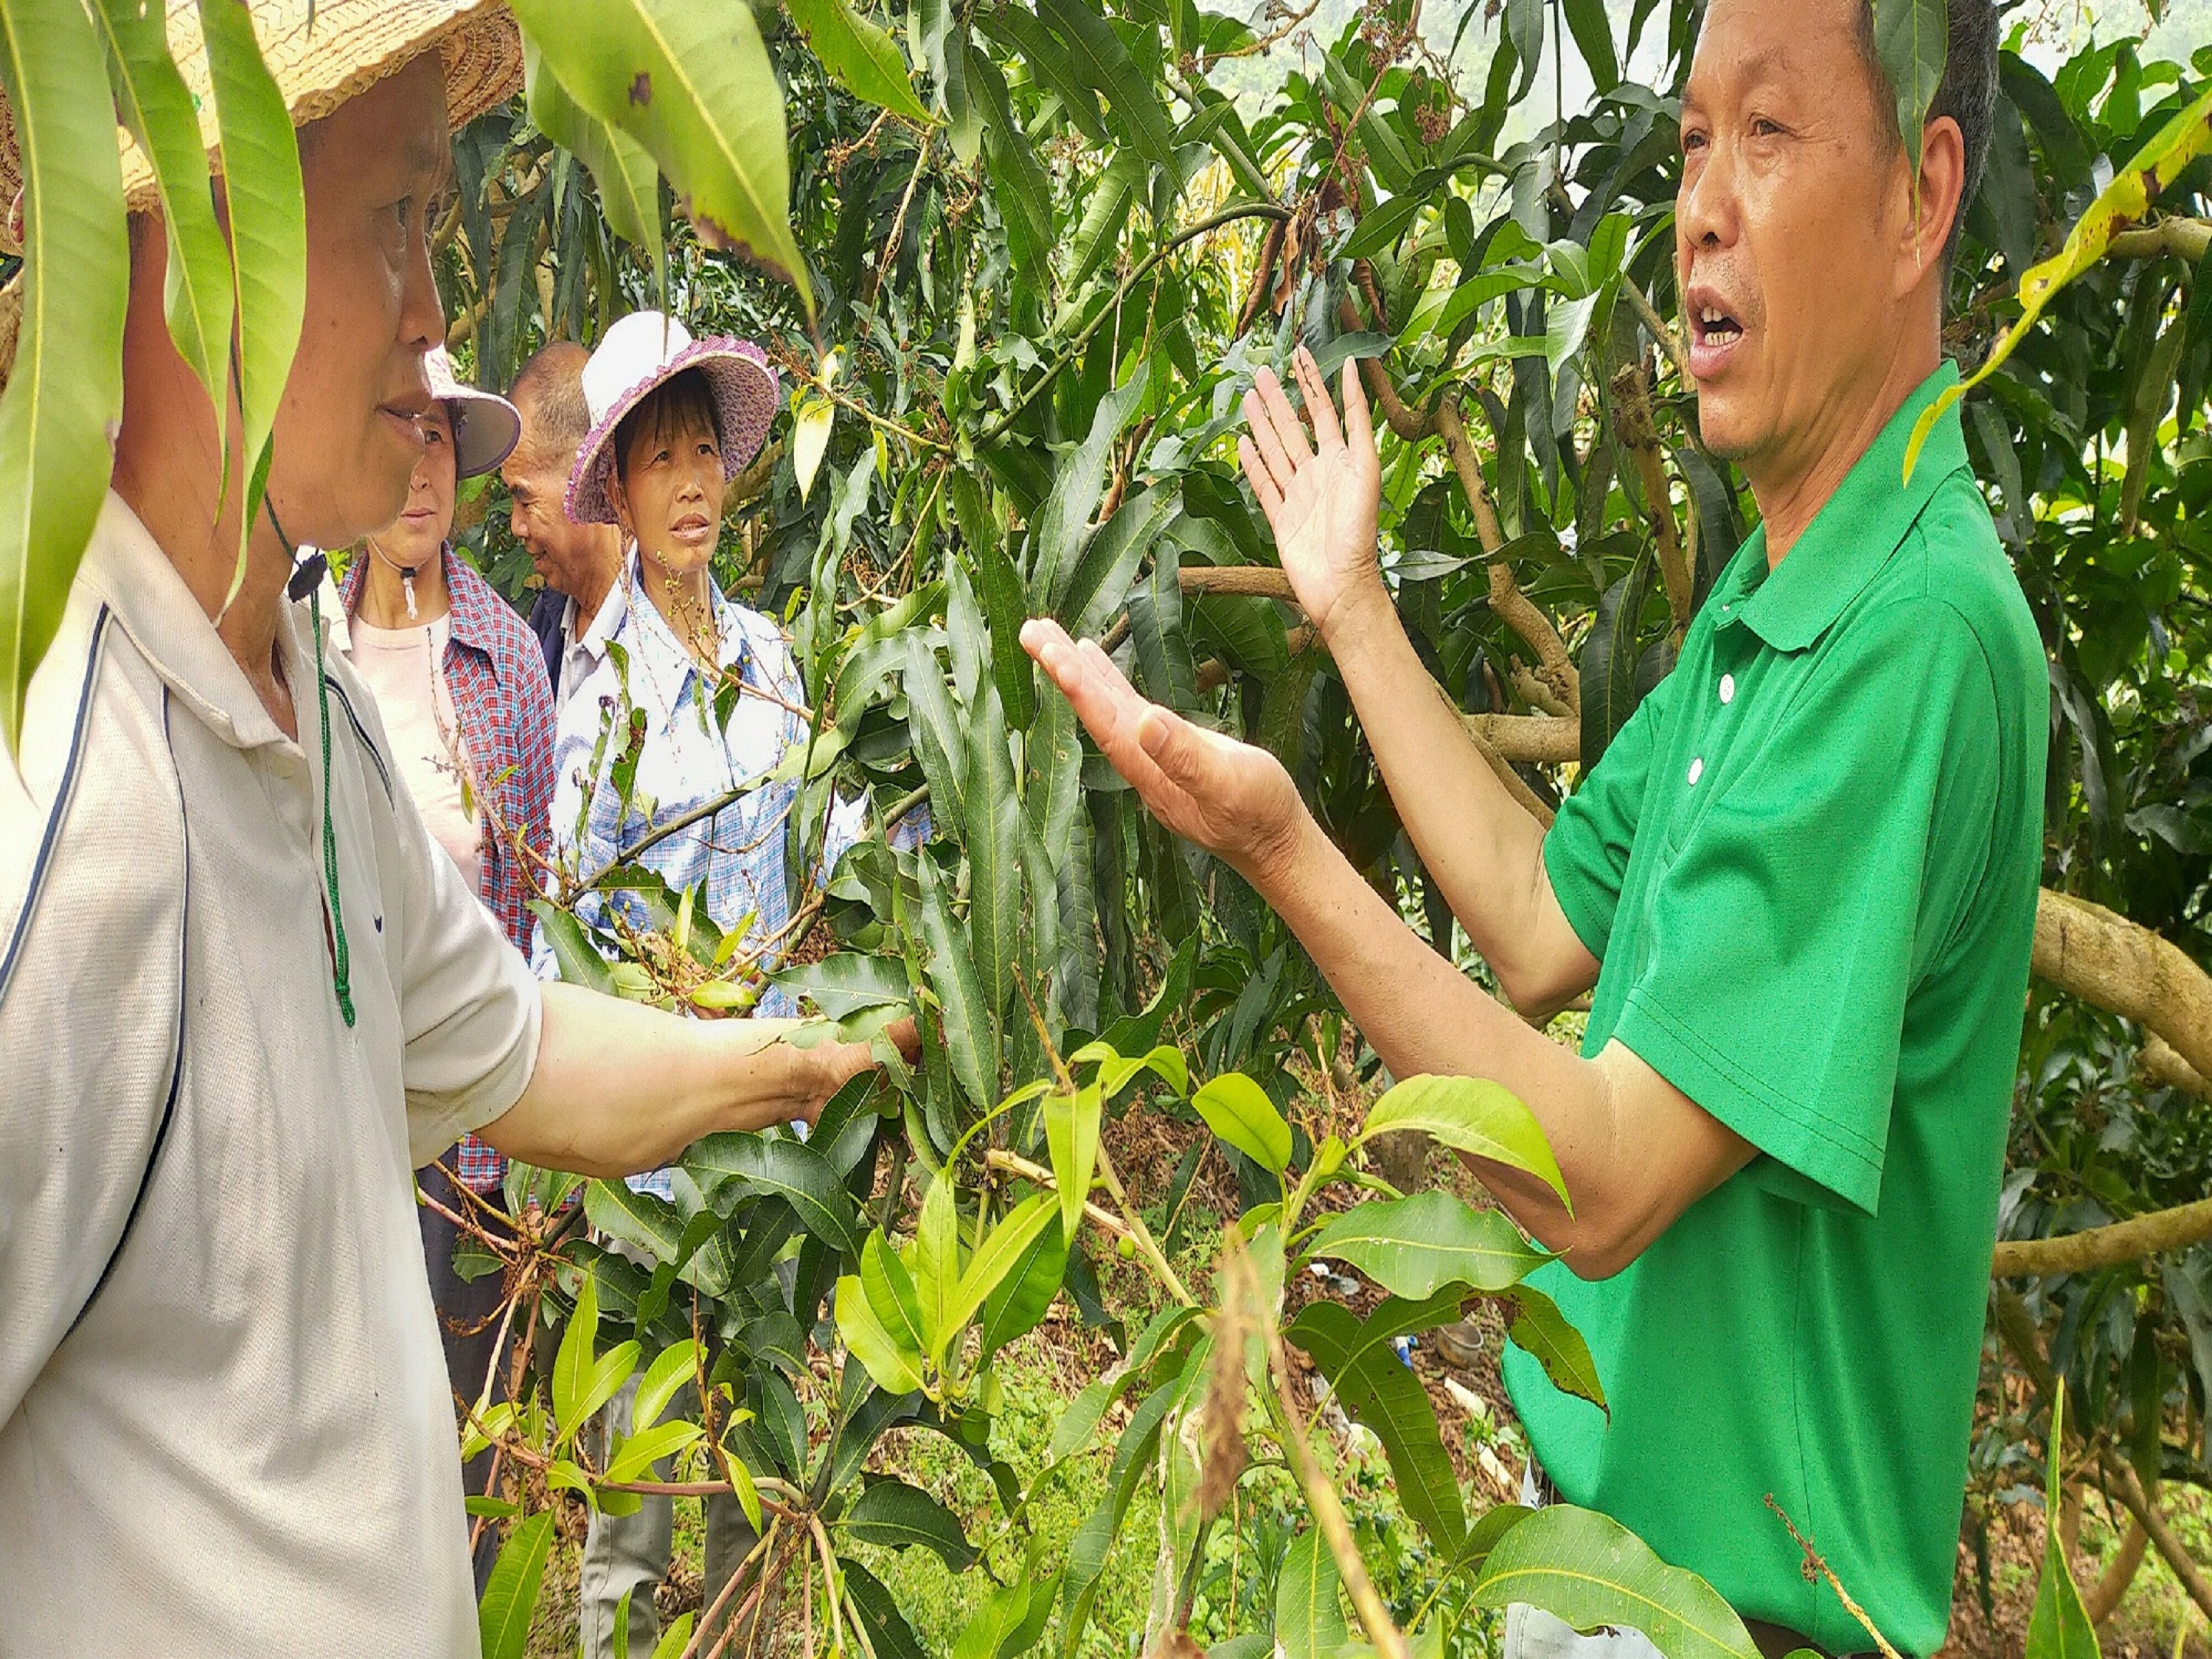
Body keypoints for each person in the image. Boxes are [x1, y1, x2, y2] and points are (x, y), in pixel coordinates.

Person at [1023, 1, 2036, 1655]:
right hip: (1608, 1576)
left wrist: (1283, 849)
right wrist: (1352, 610)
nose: (1700, 201)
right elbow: (1536, 916)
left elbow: (1602, 1178)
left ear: (1925, 200)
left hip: (1748, 1621)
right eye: (1695, 137)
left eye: (1768, 135)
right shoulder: (1776, 595)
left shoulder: (1911, 634)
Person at [0, 7, 892, 1654]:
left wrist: (797, 1064)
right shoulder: (63, 811)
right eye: (397, 219)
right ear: (207, 248)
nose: (435, 314)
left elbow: (516, 1050)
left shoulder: (306, 717)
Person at [541, 308, 863, 1658]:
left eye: (703, 457)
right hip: (652, 1183)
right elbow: (566, 934)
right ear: (615, 486)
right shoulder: (599, 694)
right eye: (657, 459)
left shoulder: (778, 664)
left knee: (760, 1474)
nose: (688, 487)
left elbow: (833, 865)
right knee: (643, 1491)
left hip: (774, 1151)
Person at [328, 341, 550, 1594]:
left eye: (438, 444)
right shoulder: (306, 639)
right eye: (398, 434)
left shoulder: (505, 658)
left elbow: (526, 900)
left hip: (460, 1149)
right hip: (336, 1117)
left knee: (457, 1445)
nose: (419, 473)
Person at [504, 338, 627, 706]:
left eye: (524, 497)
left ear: (588, 472)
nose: (516, 526)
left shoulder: (665, 629)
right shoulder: (546, 621)